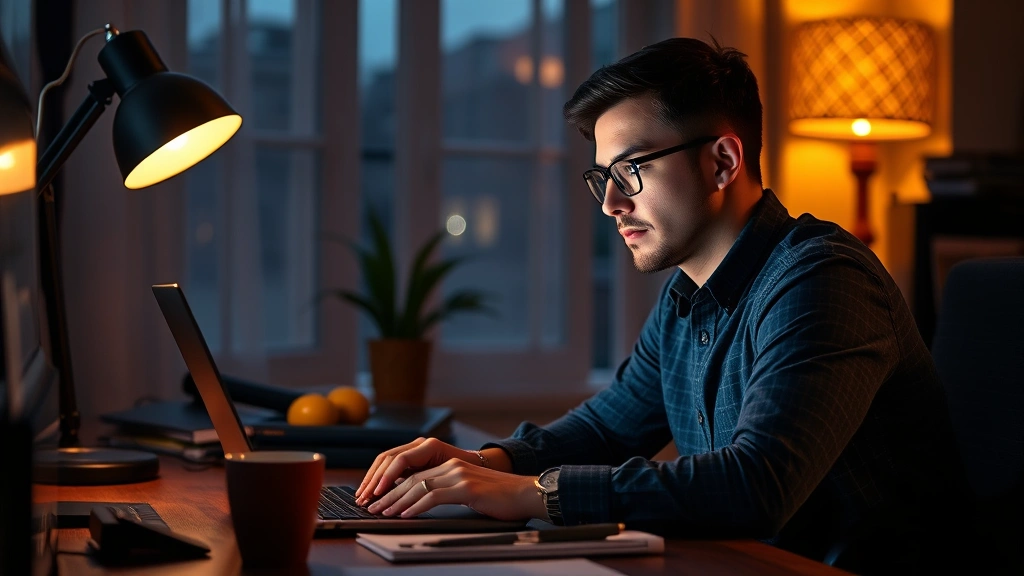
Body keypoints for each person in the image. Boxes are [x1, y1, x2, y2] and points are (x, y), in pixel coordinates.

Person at [353, 37, 972, 574]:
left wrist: (527, 492)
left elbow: (757, 485)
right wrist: (482, 462)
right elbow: (609, 428)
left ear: (723, 161)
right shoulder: (686, 299)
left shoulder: (822, 278)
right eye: (602, 178)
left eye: (631, 169)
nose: (610, 204)